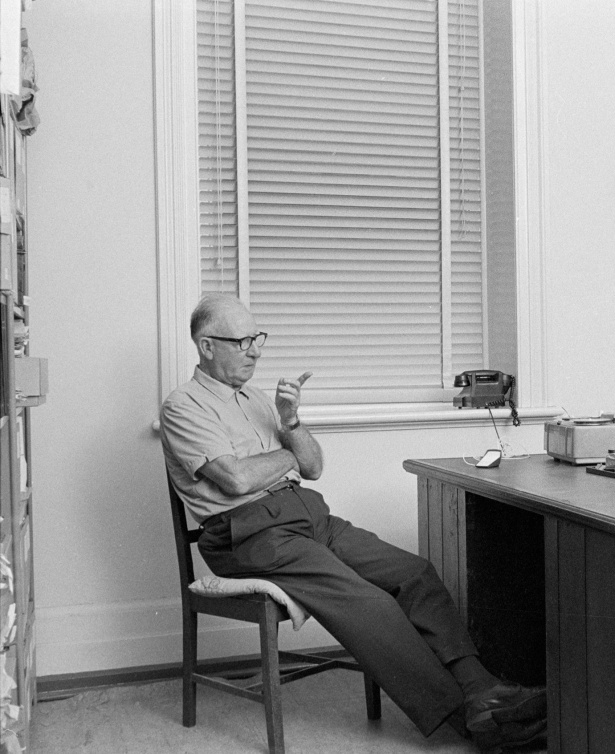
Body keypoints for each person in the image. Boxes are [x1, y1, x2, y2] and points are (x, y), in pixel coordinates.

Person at [160, 294, 545, 752]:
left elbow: (314, 466)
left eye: (257, 338)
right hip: (247, 533)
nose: (256, 351)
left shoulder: (258, 399)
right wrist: (289, 457)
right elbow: (236, 479)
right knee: (370, 603)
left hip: (305, 513)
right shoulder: (183, 406)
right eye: (242, 341)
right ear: (206, 346)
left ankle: (482, 689)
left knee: (413, 573)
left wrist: (291, 423)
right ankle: (474, 720)